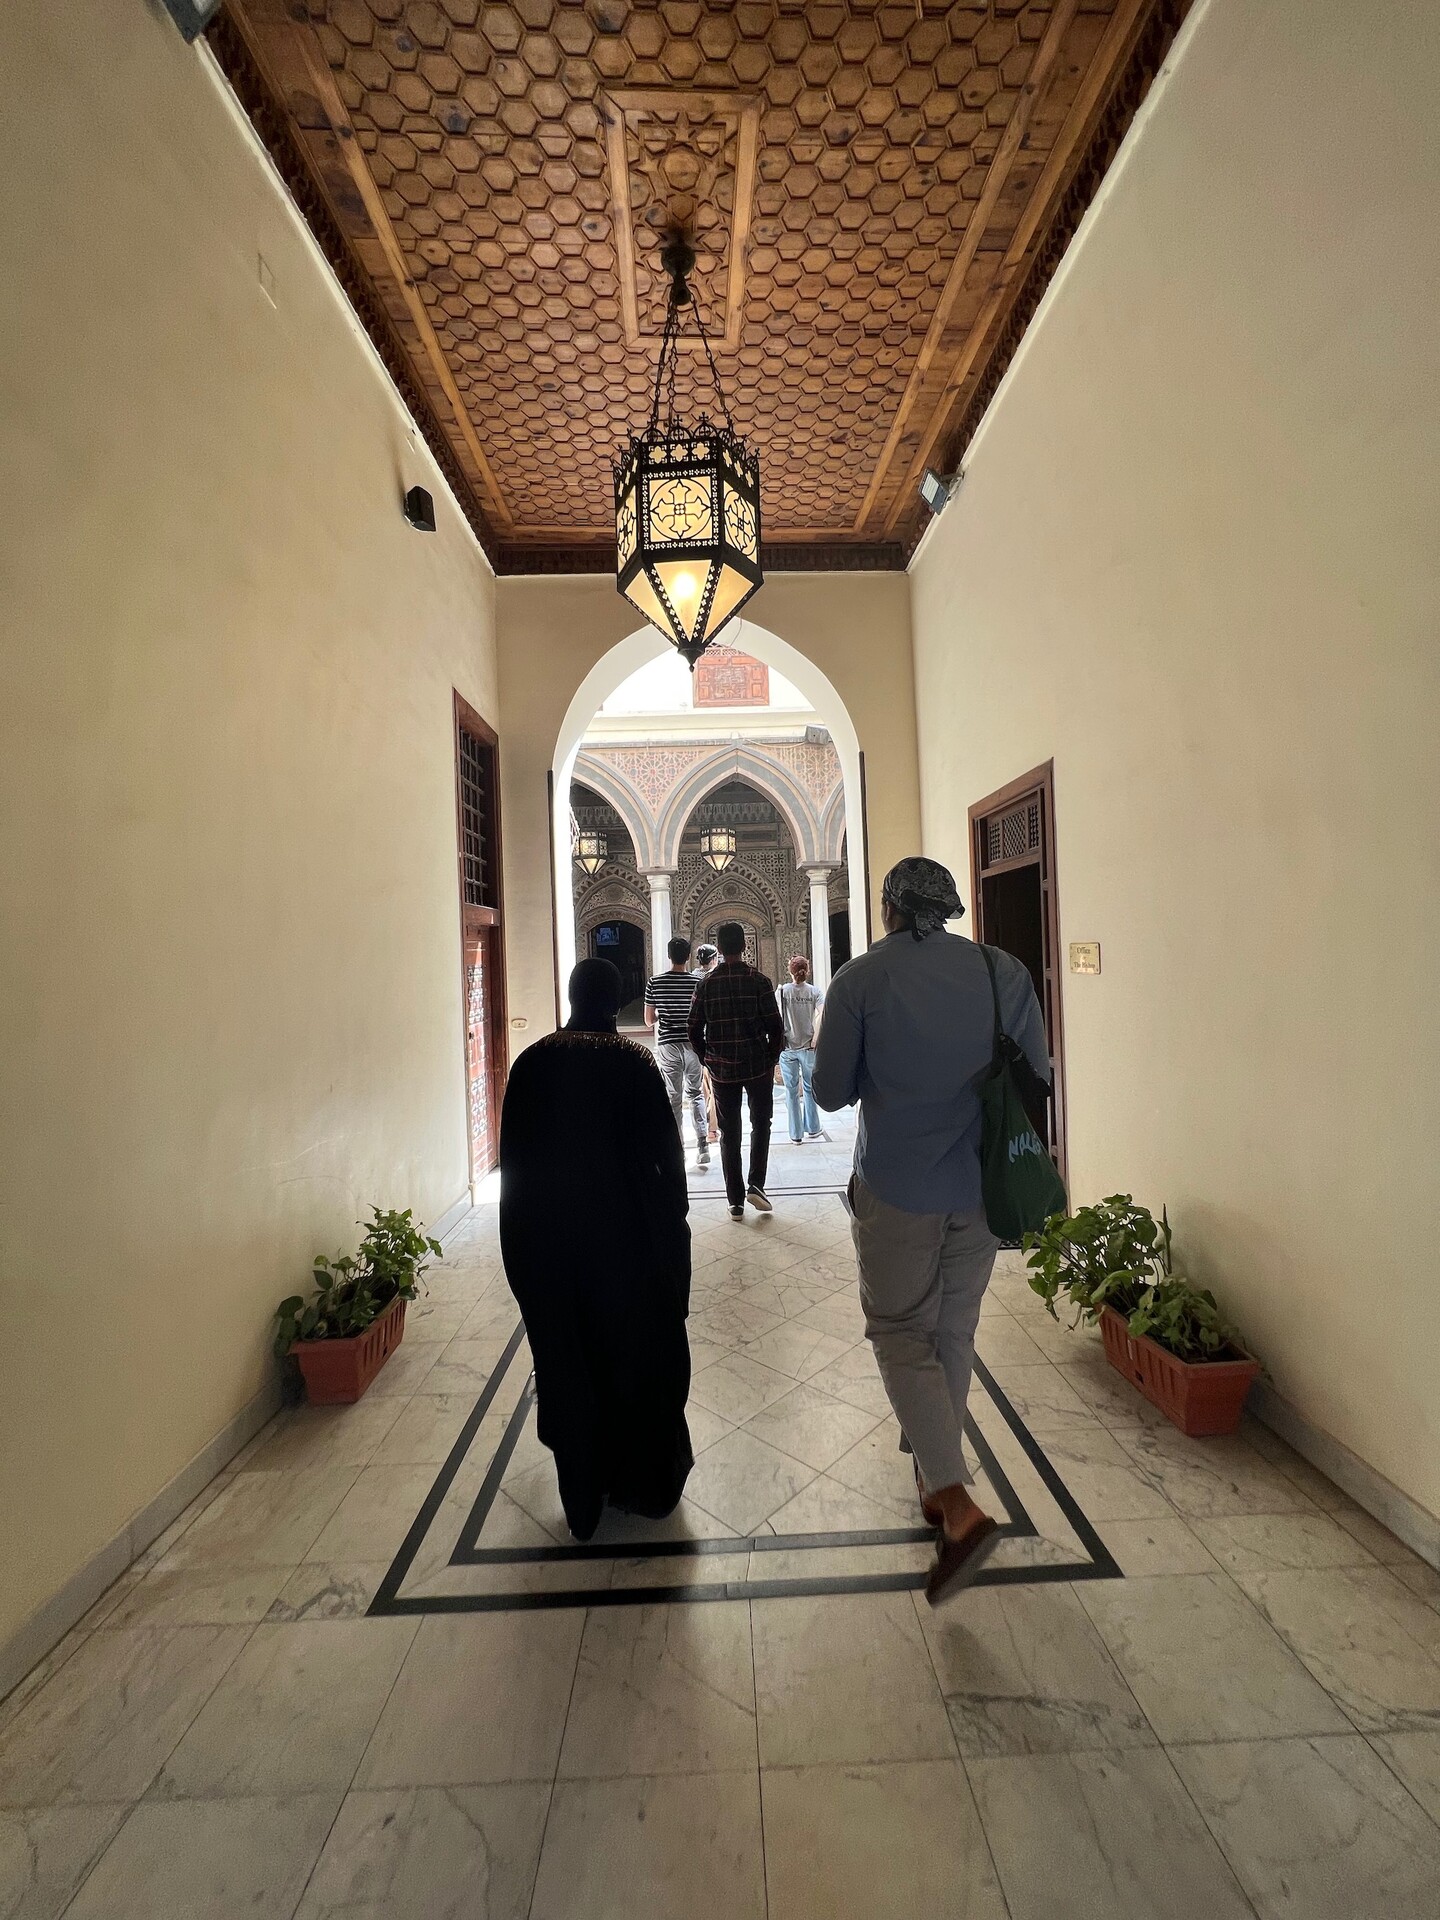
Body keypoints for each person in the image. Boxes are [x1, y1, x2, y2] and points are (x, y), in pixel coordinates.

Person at [813, 857, 1050, 1605]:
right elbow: (1034, 1071)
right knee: (952, 1330)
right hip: (980, 1188)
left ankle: (956, 1501)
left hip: (897, 1189)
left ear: (887, 909)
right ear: (948, 905)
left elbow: (827, 1093)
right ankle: (931, 1475)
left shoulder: (860, 981)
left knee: (897, 1331)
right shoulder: (1000, 970)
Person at [498, 957, 693, 1541]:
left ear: (570, 994)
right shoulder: (633, 1064)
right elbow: (667, 1163)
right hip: (624, 1252)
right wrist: (673, 1237)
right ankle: (638, 1485)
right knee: (630, 1361)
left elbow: (515, 1168)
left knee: (569, 1365)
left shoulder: (532, 1063)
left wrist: (522, 1254)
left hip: (550, 1250)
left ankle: (581, 1496)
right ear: (616, 1002)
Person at [688, 922, 784, 1219]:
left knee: (729, 1132)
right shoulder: (759, 981)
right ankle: (756, 1184)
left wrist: (707, 1057)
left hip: (722, 1069)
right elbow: (775, 1026)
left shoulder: (706, 984)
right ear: (744, 946)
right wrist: (771, 1057)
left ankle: (735, 1201)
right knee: (761, 1124)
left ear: (720, 948)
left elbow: (693, 1027)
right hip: (757, 1066)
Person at [644, 935, 709, 1169]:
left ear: (669, 956)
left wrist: (665, 1013)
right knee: (696, 1094)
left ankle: (678, 1148)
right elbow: (704, 1015)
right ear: (689, 956)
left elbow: (649, 1020)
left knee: (673, 1098)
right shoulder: (697, 983)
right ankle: (703, 1146)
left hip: (668, 1044)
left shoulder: (655, 982)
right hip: (692, 1042)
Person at [779, 954, 825, 1144]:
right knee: (809, 1087)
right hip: (808, 1046)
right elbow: (823, 1013)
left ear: (789, 970)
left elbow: (777, 1017)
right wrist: (816, 1038)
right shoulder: (815, 992)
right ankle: (813, 1127)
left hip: (788, 1047)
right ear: (808, 970)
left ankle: (795, 1134)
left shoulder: (782, 992)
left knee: (790, 1091)